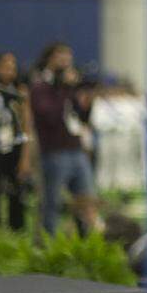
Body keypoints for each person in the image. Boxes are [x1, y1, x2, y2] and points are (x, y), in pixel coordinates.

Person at [29, 43, 99, 235]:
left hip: (76, 148)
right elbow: (48, 116)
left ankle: (86, 244)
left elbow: (80, 118)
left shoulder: (69, 87)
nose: (67, 60)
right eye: (61, 55)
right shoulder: (40, 86)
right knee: (52, 204)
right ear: (49, 58)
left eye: (69, 55)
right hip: (54, 151)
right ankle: (46, 248)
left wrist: (86, 104)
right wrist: (64, 89)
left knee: (86, 201)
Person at [0, 52, 32, 230]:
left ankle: (16, 235)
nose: (10, 72)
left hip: (13, 149)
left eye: (13, 68)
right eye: (5, 67)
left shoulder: (19, 93)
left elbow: (26, 127)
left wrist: (25, 158)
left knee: (17, 196)